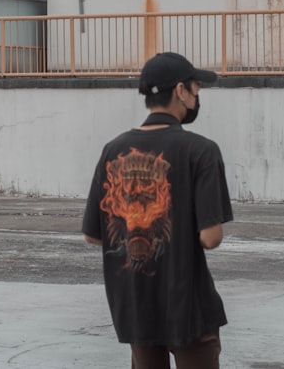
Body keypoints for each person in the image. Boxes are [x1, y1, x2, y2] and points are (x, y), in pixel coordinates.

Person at [82, 52, 234, 369]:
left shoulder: (113, 149)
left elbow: (93, 235)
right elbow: (210, 237)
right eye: (196, 89)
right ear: (180, 90)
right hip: (188, 306)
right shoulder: (201, 150)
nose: (197, 97)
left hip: (135, 305)